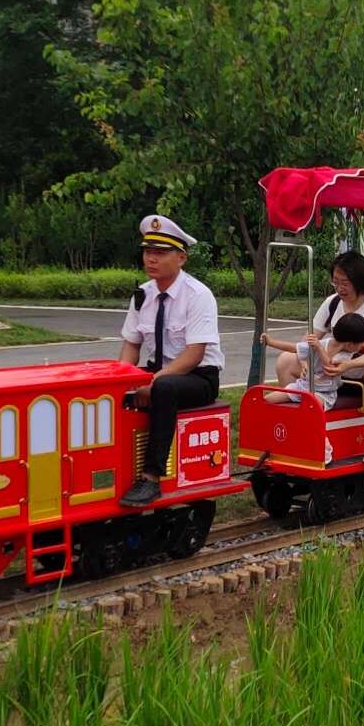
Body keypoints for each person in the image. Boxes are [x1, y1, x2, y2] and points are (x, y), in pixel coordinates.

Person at [116, 215, 225, 507]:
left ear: (181, 258)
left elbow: (194, 354)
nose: (151, 258)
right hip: (160, 370)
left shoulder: (198, 295)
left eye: (160, 253)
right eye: (148, 251)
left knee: (163, 390)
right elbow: (130, 346)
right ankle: (118, 468)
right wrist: (123, 382)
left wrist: (154, 381)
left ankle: (151, 478)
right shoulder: (142, 295)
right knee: (114, 391)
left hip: (198, 376)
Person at [266, 250, 364, 464]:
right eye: (335, 282)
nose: (339, 288)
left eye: (345, 283)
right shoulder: (332, 302)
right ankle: (300, 425)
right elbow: (309, 339)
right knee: (285, 360)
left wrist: (347, 365)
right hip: (337, 374)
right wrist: (304, 363)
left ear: (360, 281)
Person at [260, 314, 364, 409]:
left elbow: (330, 367)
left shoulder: (345, 356)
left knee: (311, 405)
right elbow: (295, 348)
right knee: (268, 400)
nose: (363, 345)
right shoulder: (323, 344)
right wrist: (271, 342)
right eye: (362, 343)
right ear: (350, 344)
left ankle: (313, 432)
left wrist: (319, 348)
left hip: (324, 393)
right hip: (303, 386)